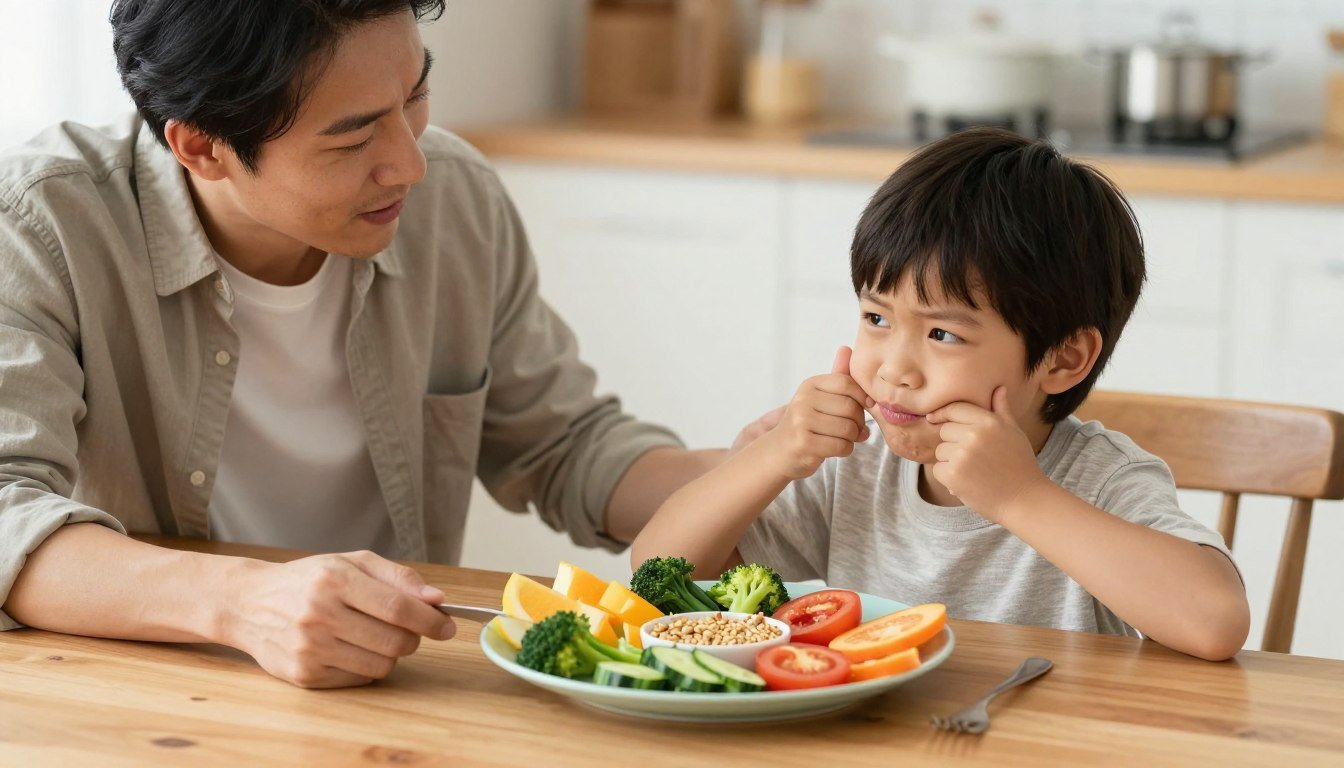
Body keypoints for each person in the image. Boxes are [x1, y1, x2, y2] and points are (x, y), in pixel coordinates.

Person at [0, 0, 773, 688]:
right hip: (140, 690)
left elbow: (566, 444)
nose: (408, 162)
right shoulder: (43, 226)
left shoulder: (455, 196)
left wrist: (757, 473)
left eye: (415, 97)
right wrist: (241, 603)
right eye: (353, 138)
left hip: (393, 689)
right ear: (201, 147)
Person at [632, 128, 1251, 661]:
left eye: (942, 333)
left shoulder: (1100, 477)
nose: (895, 368)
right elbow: (655, 576)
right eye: (876, 319)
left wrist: (1019, 494)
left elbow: (1215, 621)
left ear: (1063, 359)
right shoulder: (854, 466)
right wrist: (770, 458)